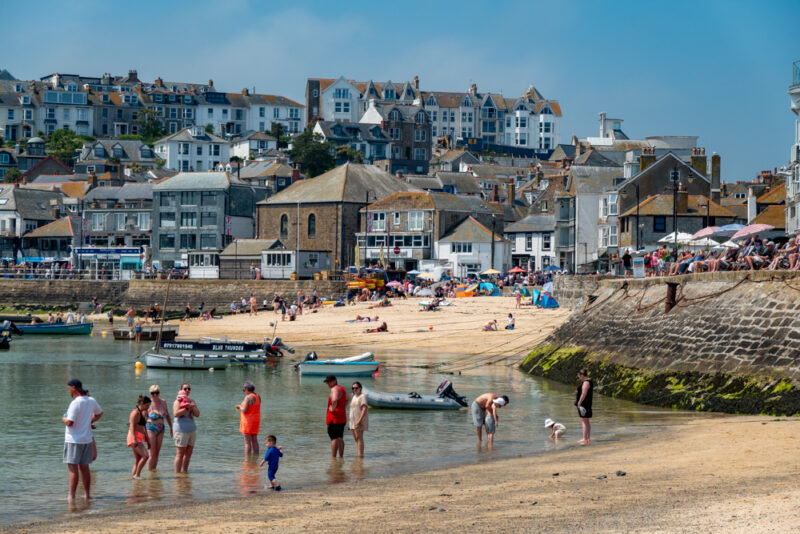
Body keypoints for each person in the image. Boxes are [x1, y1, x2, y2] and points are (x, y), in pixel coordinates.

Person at [62, 379, 103, 501]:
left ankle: (71, 496)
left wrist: (63, 419)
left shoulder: (75, 403)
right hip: (86, 439)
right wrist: (90, 421)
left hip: (74, 440)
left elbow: (70, 422)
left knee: (73, 470)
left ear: (73, 388)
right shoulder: (91, 400)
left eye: (69, 388)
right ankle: (87, 494)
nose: (68, 391)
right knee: (85, 468)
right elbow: (100, 413)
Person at [172, 383, 200, 473]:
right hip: (181, 430)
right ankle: (177, 474)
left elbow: (197, 414)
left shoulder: (192, 401)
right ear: (181, 390)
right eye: (185, 389)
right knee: (180, 453)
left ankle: (184, 472)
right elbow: (176, 414)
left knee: (189, 453)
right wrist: (187, 408)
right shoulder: (177, 402)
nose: (187, 390)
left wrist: (192, 406)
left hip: (191, 430)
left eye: (189, 389)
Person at [145, 384, 172, 472]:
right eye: (153, 393)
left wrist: (171, 427)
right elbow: (142, 418)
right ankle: (149, 473)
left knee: (157, 453)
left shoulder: (163, 402)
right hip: (151, 428)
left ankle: (154, 472)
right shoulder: (148, 403)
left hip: (161, 428)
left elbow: (167, 415)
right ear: (150, 394)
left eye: (157, 393)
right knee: (152, 454)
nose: (155, 395)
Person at [128, 395, 151, 479]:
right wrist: (134, 439)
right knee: (146, 456)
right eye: (147, 405)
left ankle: (134, 479)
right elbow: (131, 426)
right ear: (142, 403)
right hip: (133, 437)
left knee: (138, 460)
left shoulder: (142, 412)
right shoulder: (135, 413)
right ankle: (137, 476)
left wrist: (148, 440)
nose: (148, 407)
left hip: (139, 437)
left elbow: (143, 427)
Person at [324, 375, 347, 458]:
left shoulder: (334, 389)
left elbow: (334, 400)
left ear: (334, 381)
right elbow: (348, 399)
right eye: (327, 382)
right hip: (342, 417)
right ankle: (341, 457)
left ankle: (333, 458)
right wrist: (343, 407)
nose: (328, 384)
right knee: (340, 437)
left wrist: (332, 409)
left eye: (329, 382)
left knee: (333, 438)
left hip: (334, 418)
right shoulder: (342, 389)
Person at [237, 381, 261, 455]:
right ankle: (255, 457)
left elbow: (244, 410)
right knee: (254, 439)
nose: (244, 391)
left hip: (248, 421)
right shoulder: (258, 396)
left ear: (247, 388)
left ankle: (248, 460)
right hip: (256, 420)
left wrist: (239, 406)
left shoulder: (248, 397)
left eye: (244, 390)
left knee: (247, 442)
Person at [349, 381, 368, 457]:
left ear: (360, 388)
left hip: (359, 421)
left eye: (356, 388)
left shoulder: (362, 396)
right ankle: (358, 455)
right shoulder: (354, 396)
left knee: (359, 438)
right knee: (356, 439)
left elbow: (364, 409)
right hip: (352, 421)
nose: (354, 389)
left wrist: (359, 421)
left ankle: (360, 456)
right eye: (353, 388)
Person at [576, 368, 593, 445]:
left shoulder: (586, 382)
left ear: (582, 375)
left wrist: (579, 402)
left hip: (584, 404)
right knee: (586, 421)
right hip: (587, 404)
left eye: (579, 376)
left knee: (584, 421)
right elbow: (582, 392)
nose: (579, 378)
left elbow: (584, 393)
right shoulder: (588, 382)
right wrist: (577, 392)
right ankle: (587, 438)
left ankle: (585, 439)